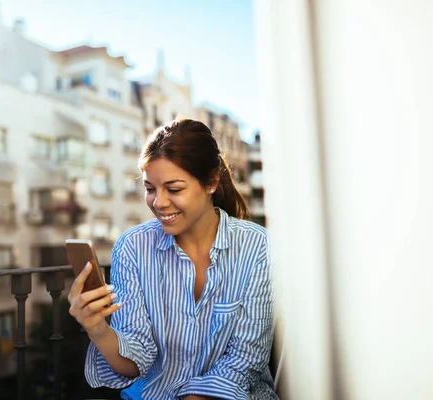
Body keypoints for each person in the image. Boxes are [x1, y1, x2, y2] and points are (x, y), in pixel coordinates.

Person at [68, 119, 277, 400]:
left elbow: (245, 359)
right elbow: (135, 361)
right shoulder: (132, 247)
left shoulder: (256, 245)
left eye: (174, 189)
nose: (159, 203)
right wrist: (97, 329)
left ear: (211, 182)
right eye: (150, 189)